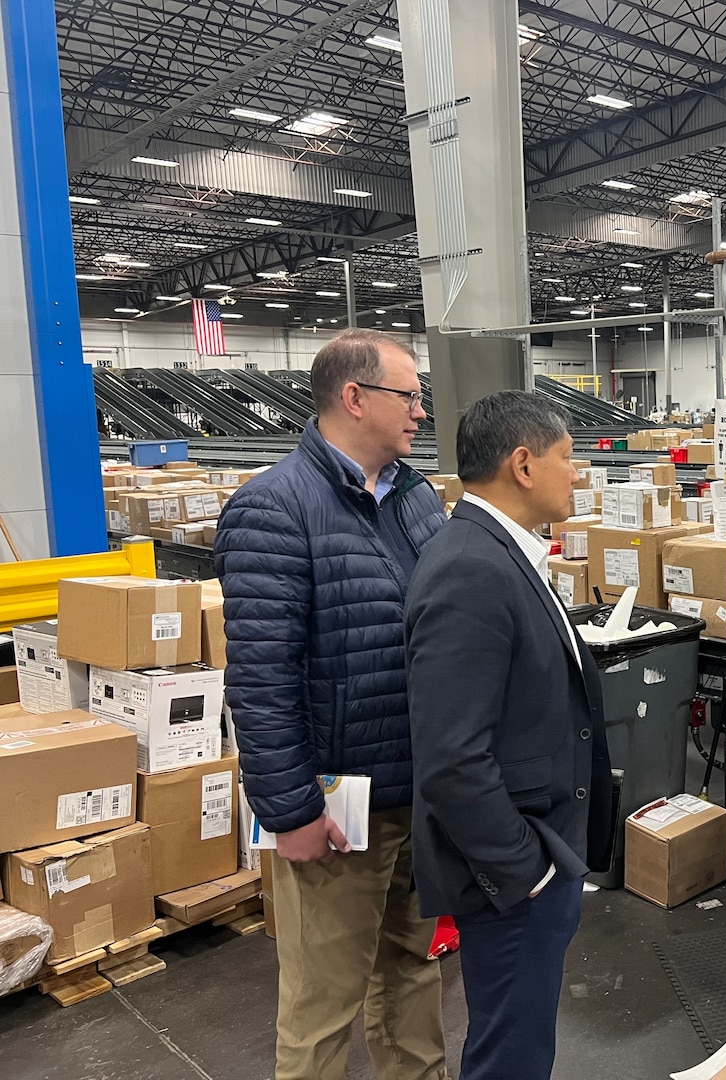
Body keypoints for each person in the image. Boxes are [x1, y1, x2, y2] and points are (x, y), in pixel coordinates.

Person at [213, 329, 448, 1080]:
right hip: (339, 804)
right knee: (325, 1002)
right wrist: (290, 812)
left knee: (414, 972)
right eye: (407, 395)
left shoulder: (415, 499)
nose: (418, 411)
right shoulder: (274, 508)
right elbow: (260, 678)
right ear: (354, 397)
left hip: (421, 791)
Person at [405, 390, 614, 1080]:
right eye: (567, 457)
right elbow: (451, 756)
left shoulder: (504, 551)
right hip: (512, 870)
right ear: (523, 465)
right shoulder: (472, 568)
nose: (576, 473)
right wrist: (523, 870)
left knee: (521, 1040)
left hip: (536, 851)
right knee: (510, 1055)